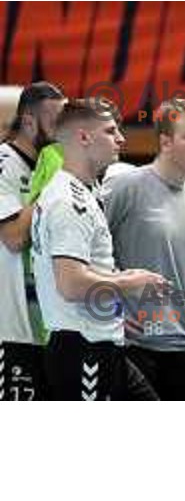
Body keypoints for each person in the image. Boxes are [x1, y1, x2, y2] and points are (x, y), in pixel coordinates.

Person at [31, 98, 165, 400]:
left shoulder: (83, 191)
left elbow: (87, 270)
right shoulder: (69, 201)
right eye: (110, 130)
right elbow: (72, 283)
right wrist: (131, 284)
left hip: (99, 342)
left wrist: (116, 300)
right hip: (83, 348)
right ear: (83, 137)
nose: (121, 138)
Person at [103, 98, 185, 400]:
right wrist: (108, 308)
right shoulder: (125, 187)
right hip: (131, 344)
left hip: (182, 343)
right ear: (165, 142)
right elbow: (90, 252)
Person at [0, 82, 66, 400]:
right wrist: (50, 185)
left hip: (45, 329)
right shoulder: (4, 162)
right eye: (56, 123)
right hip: (10, 330)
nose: (61, 133)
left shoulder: (48, 168)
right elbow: (13, 237)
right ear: (28, 121)